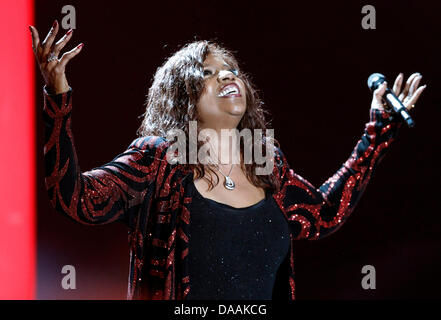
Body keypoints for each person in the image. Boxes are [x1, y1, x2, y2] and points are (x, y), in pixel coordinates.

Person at [29, 20, 426, 300]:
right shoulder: (159, 161)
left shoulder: (267, 164)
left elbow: (322, 215)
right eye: (208, 73)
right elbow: (75, 199)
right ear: (182, 97)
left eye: (231, 69)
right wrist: (58, 98)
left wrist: (378, 131)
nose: (226, 76)